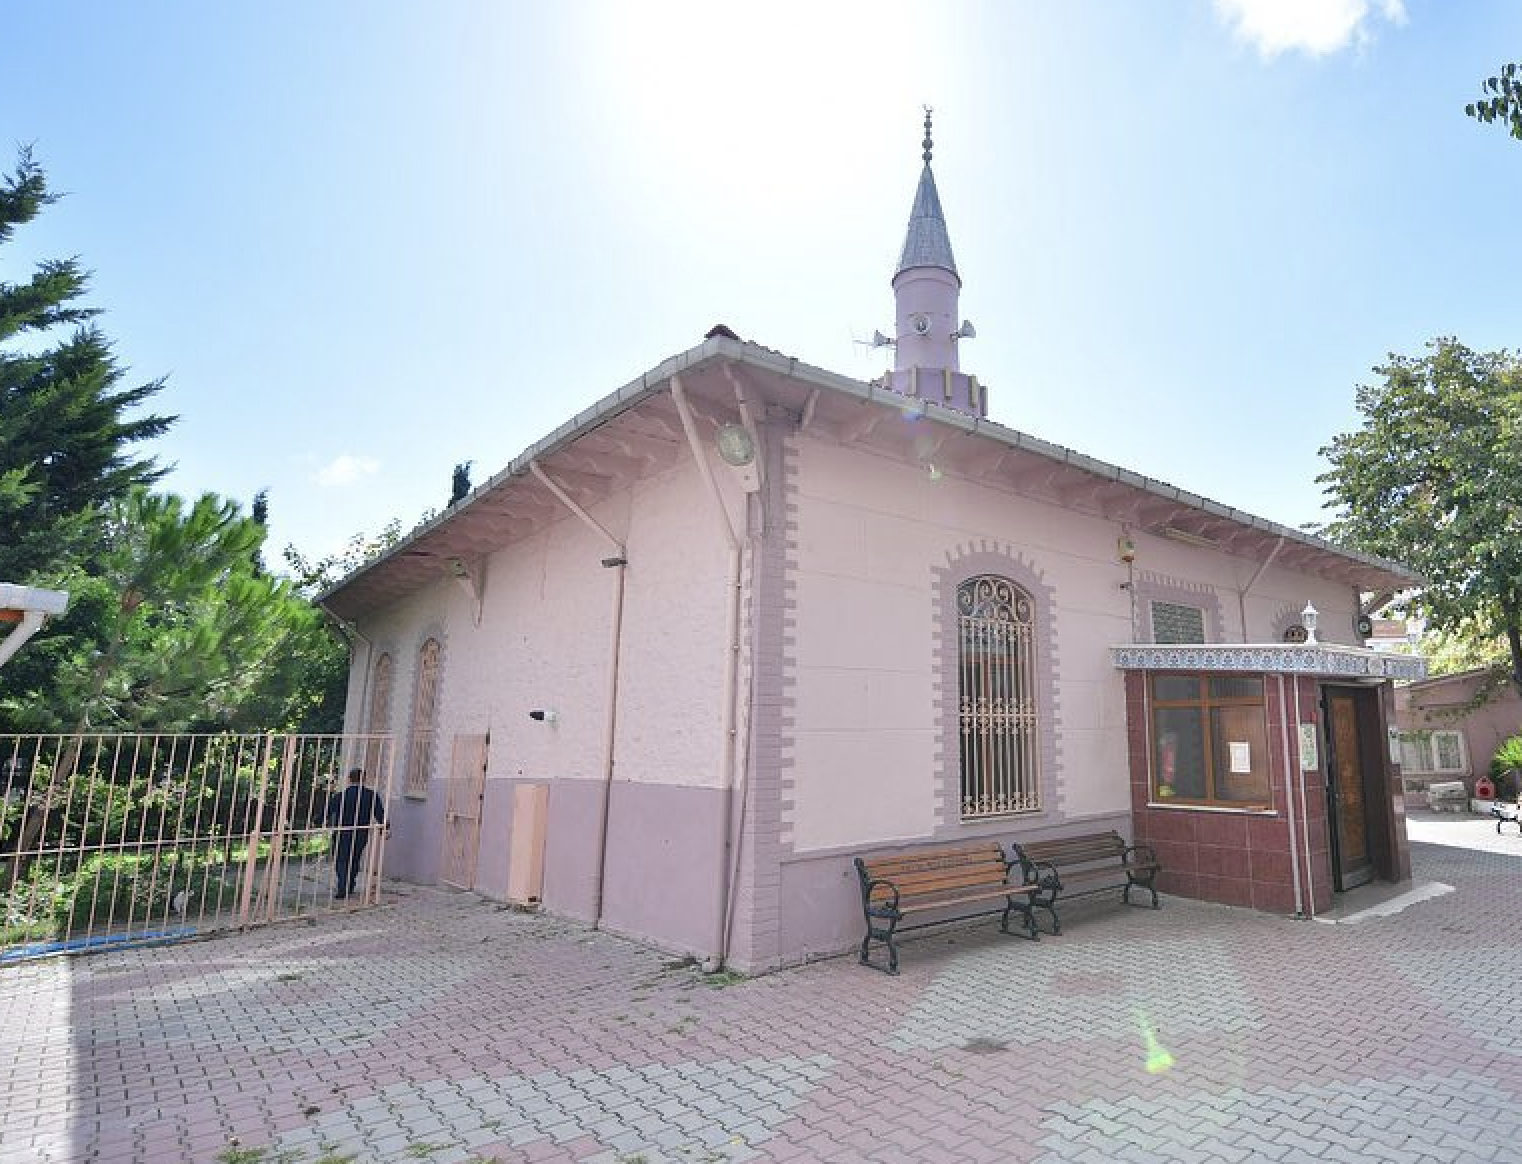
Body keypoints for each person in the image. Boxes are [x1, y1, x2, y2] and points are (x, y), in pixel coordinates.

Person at [324, 767, 386, 900]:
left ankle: (342, 887)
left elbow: (327, 812)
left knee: (341, 859)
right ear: (363, 779)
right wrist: (385, 827)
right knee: (355, 858)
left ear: (349, 779)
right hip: (360, 832)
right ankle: (350, 884)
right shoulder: (371, 795)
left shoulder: (341, 796)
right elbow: (380, 813)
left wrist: (317, 822)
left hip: (342, 832)